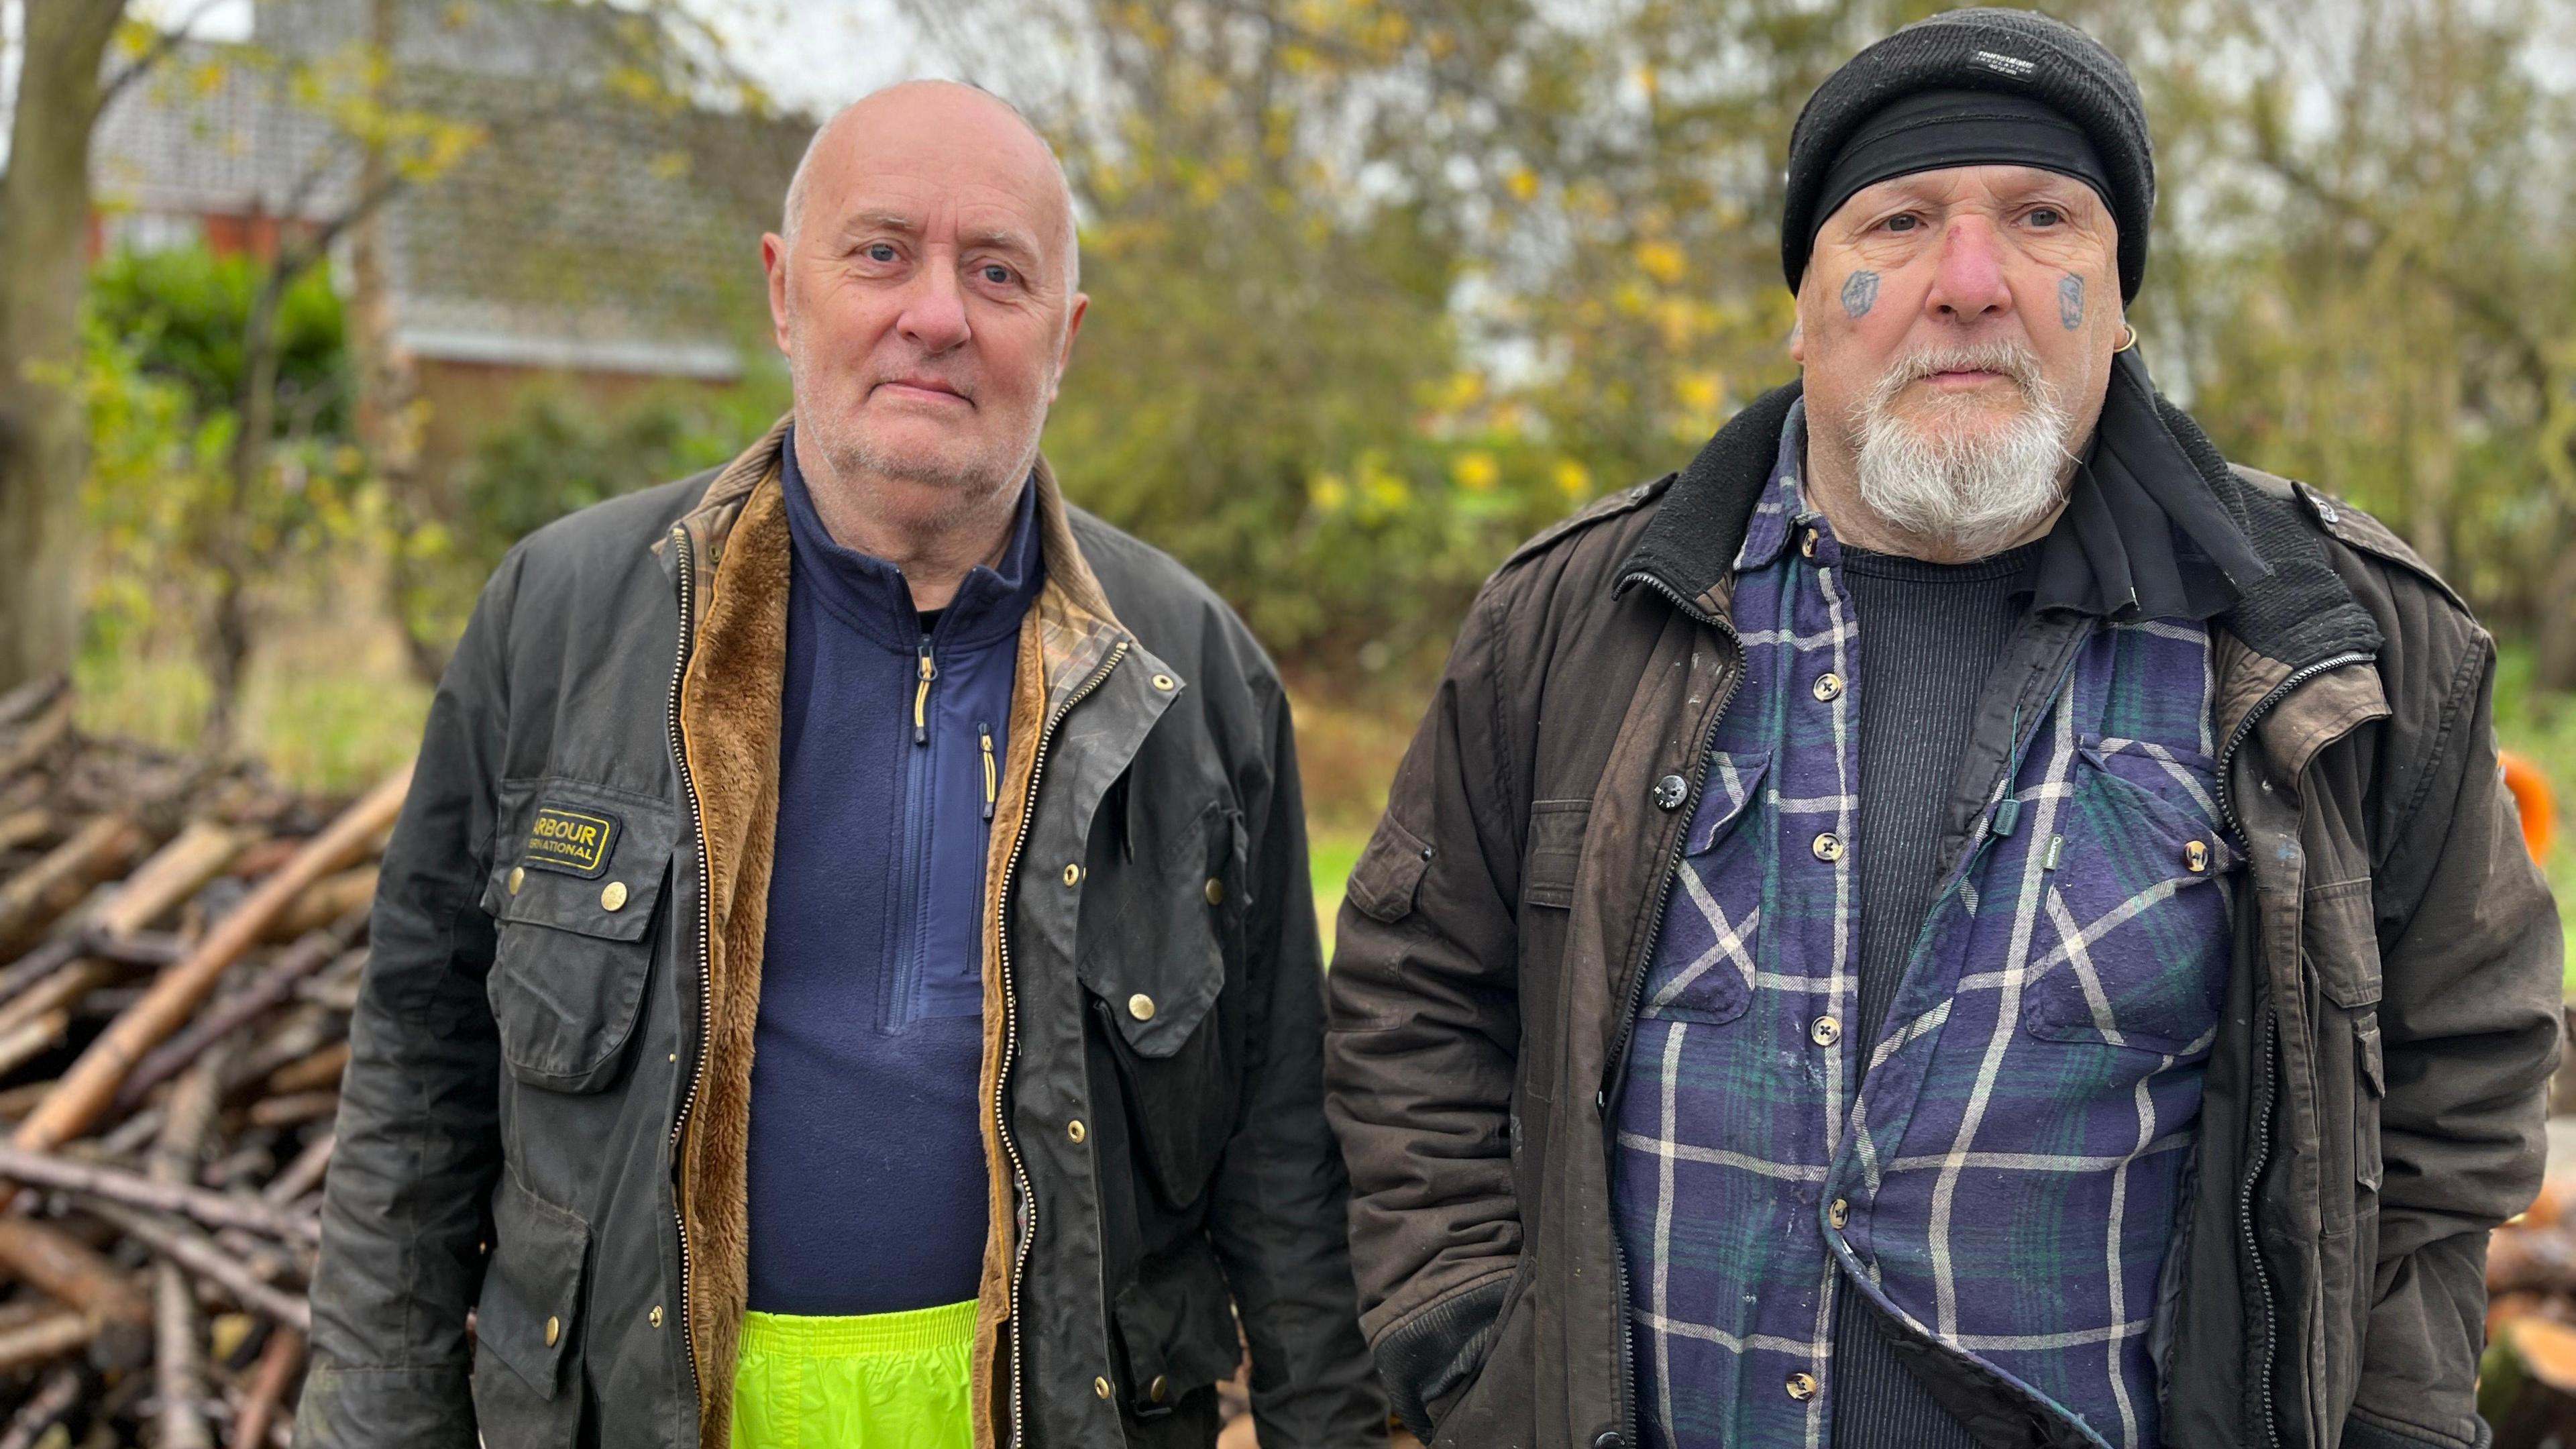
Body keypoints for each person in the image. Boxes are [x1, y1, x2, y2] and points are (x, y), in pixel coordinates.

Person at [1322, 11, 2561, 1449]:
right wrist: (1480, 1361)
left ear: (2121, 297)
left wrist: (2387, 1419)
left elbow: (2465, 1070)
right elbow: (1413, 1005)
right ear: (1803, 301)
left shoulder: (2337, 641)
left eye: (2043, 220)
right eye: (1900, 222)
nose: (1970, 283)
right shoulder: (1574, 622)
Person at [299, 80, 1383, 1449]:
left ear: (1065, 337)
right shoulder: (565, 619)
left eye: (999, 272)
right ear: (783, 290)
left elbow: (1287, 1152)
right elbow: (416, 1079)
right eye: (881, 252)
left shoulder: (1197, 680)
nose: (937, 314)